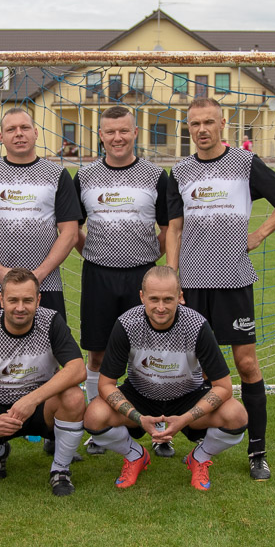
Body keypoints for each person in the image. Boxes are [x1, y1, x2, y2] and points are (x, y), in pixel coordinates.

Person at [166, 97, 275, 481]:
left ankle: (257, 452)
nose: (202, 129)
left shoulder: (244, 163)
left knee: (245, 364)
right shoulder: (180, 172)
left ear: (222, 124)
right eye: (195, 124)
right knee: (190, 367)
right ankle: (197, 440)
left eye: (209, 122)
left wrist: (259, 234)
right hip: (192, 283)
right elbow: (174, 229)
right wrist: (173, 277)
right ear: (188, 128)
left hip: (234, 280)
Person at [84, 266, 248, 490]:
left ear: (180, 297)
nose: (160, 307)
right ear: (142, 297)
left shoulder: (197, 325)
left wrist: (185, 418)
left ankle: (199, 458)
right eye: (154, 299)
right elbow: (105, 384)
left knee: (236, 415)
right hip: (141, 395)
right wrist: (138, 417)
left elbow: (224, 387)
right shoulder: (127, 324)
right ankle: (135, 455)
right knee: (94, 415)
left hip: (187, 396)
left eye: (168, 299)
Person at [73, 105, 170, 456]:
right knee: (98, 355)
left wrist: (147, 257)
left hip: (142, 277)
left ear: (135, 133)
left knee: (152, 354)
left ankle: (161, 429)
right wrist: (95, 253)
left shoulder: (156, 175)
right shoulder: (84, 176)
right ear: (100, 135)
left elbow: (168, 229)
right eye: (110, 132)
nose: (117, 137)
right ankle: (101, 430)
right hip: (98, 275)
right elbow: (72, 229)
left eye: (124, 131)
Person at [0, 268, 86, 496]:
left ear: (38, 300)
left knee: (74, 397)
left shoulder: (51, 321)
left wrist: (32, 400)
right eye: (13, 300)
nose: (20, 307)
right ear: (1, 299)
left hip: (40, 405)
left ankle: (60, 470)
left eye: (28, 300)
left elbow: (77, 368)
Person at [0, 108, 80, 320]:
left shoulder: (57, 174)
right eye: (11, 129)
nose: (19, 133)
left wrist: (39, 274)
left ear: (36, 132)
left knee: (49, 340)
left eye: (24, 127)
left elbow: (70, 233)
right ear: (1, 137)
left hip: (46, 284)